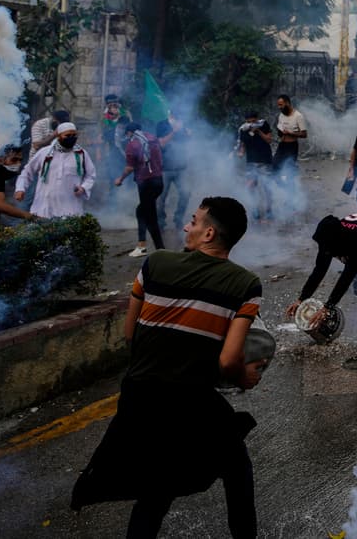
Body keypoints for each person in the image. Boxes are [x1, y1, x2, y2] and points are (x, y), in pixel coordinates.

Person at [71, 197, 266, 538]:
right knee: (236, 465)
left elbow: (130, 334)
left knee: (156, 487)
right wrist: (244, 377)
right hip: (191, 400)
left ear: (208, 233)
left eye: (193, 221)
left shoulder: (155, 264)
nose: (186, 227)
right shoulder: (245, 285)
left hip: (138, 398)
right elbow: (228, 361)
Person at [286, 213, 357, 347]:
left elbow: (346, 277)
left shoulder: (354, 242)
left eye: (327, 245)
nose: (324, 248)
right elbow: (319, 270)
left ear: (336, 241)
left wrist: (328, 306)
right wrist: (302, 298)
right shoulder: (328, 238)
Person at [16, 122, 96, 218]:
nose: (71, 138)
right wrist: (20, 188)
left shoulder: (81, 154)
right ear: (58, 136)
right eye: (67, 135)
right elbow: (27, 172)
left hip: (71, 207)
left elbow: (90, 175)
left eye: (74, 135)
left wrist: (83, 187)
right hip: (44, 206)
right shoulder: (44, 153)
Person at [115, 122, 165, 257]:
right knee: (141, 211)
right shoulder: (152, 138)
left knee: (150, 217)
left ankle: (160, 250)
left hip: (146, 184)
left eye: (127, 134)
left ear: (129, 132)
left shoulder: (132, 144)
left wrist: (120, 179)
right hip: (159, 181)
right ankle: (142, 245)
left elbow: (129, 167)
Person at [237, 111, 274, 222]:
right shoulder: (243, 129)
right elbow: (243, 144)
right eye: (249, 122)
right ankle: (255, 209)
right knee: (251, 186)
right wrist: (241, 152)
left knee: (267, 187)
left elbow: (269, 140)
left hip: (265, 160)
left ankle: (269, 210)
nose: (251, 124)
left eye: (253, 121)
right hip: (251, 162)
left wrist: (258, 131)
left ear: (257, 119)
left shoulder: (263, 125)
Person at [156, 116, 191, 231]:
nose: (178, 120)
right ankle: (160, 222)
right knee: (160, 197)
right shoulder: (162, 125)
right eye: (176, 117)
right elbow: (161, 143)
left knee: (186, 193)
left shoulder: (183, 125)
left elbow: (187, 145)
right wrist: (174, 131)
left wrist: (189, 135)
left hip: (181, 168)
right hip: (164, 169)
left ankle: (178, 219)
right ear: (171, 115)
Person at [273, 94, 307, 182]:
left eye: (281, 105)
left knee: (289, 169)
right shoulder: (281, 115)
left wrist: (290, 133)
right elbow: (280, 129)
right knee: (274, 166)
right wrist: (279, 131)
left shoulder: (298, 116)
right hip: (282, 145)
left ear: (287, 103)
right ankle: (281, 186)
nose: (279, 107)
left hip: (292, 146)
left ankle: (291, 188)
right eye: (278, 105)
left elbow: (304, 134)